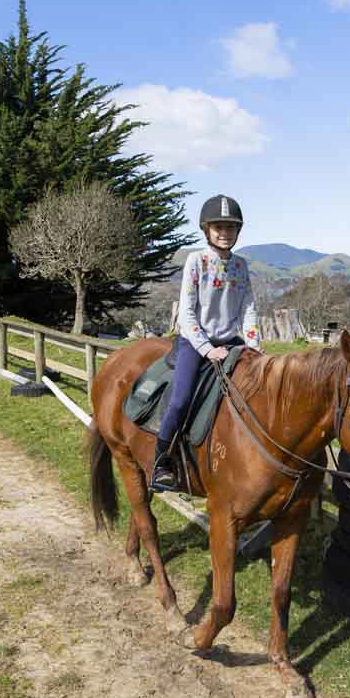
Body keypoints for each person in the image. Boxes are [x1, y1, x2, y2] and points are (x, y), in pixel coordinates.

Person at [150, 195, 261, 491]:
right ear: (206, 229)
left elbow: (248, 308)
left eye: (230, 227)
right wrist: (207, 349)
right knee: (181, 398)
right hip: (195, 342)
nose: (224, 232)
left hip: (232, 342)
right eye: (218, 226)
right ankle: (162, 461)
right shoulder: (196, 261)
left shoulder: (240, 265)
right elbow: (186, 312)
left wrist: (253, 346)